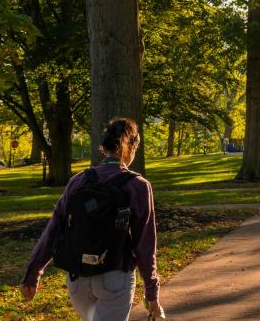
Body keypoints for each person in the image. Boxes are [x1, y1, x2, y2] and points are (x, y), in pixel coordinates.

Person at [20, 117, 165, 320]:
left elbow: (54, 228)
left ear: (104, 147)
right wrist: (151, 292)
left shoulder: (78, 181)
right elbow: (145, 243)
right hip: (114, 277)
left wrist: (33, 273)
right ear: (131, 146)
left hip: (77, 278)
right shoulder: (137, 186)